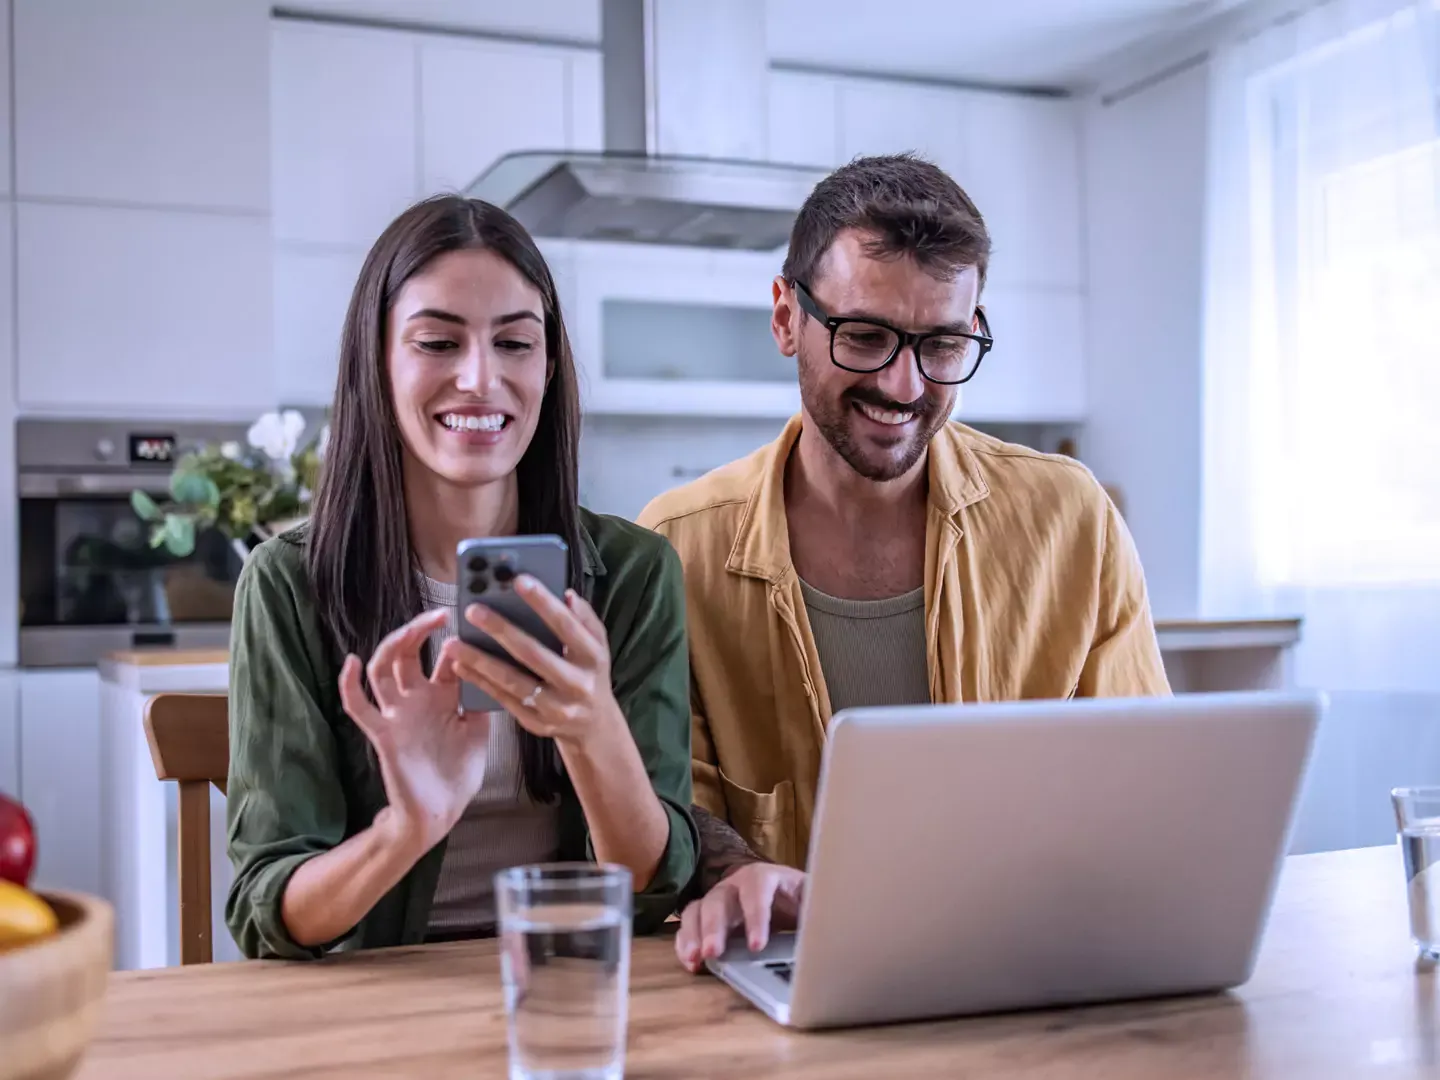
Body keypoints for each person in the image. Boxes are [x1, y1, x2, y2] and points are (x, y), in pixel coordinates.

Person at [637, 154, 1171, 972]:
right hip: (789, 983)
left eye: (942, 344)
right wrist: (735, 870)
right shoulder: (676, 548)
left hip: (1027, 964)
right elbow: (672, 808)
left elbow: (1143, 785)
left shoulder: (1071, 521)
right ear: (786, 318)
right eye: (865, 336)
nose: (903, 382)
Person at [226, 195, 697, 959]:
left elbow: (653, 885)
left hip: (569, 984)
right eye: (439, 342)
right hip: (380, 998)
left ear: (549, 366)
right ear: (377, 361)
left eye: (515, 343)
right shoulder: (291, 586)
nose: (480, 379)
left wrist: (591, 731)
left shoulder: (636, 575)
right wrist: (405, 827)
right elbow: (266, 912)